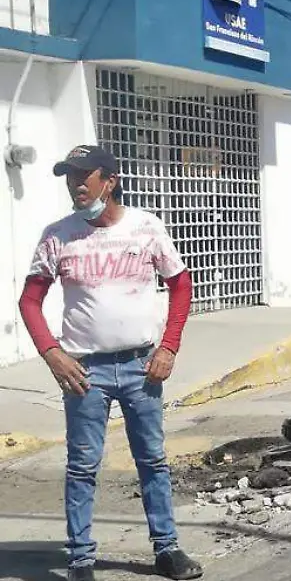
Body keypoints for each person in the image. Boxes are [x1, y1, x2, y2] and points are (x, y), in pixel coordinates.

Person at [17, 145, 203, 581]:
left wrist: (169, 346)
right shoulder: (57, 235)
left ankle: (167, 549)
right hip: (84, 371)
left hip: (142, 367)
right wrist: (52, 353)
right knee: (82, 466)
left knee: (152, 460)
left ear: (110, 181)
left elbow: (180, 284)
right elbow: (30, 300)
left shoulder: (145, 227)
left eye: (84, 176)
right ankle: (81, 560)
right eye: (69, 177)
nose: (76, 185)